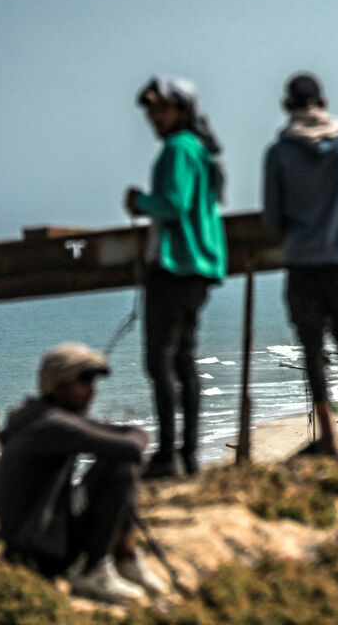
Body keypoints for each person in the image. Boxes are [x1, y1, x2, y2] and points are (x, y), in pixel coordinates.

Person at [0, 343, 166, 604]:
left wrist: (122, 435)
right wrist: (129, 436)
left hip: (37, 541)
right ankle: (95, 569)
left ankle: (124, 558)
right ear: (61, 384)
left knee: (118, 459)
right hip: (40, 554)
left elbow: (121, 435)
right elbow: (132, 445)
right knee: (120, 466)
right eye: (85, 381)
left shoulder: (41, 417)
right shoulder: (52, 425)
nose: (93, 391)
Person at [264, 73, 338, 455]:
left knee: (312, 351)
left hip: (302, 262)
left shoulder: (279, 153)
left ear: (286, 107)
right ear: (324, 102)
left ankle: (328, 438)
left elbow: (274, 217)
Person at [126, 77, 227, 479]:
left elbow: (172, 204)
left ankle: (168, 455)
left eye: (162, 109)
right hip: (200, 265)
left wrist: (139, 202)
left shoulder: (177, 149)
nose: (154, 118)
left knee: (159, 360)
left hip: (175, 264)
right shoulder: (201, 150)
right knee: (183, 358)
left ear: (182, 111)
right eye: (151, 111)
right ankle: (187, 454)